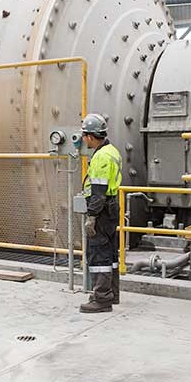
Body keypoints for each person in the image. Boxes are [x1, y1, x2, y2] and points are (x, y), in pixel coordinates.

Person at [79, 113, 123, 313]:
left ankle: (101, 299)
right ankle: (111, 294)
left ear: (90, 136)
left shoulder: (101, 157)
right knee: (111, 253)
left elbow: (98, 192)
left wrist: (91, 217)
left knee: (99, 254)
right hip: (112, 208)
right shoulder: (112, 150)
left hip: (102, 211)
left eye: (84, 135)